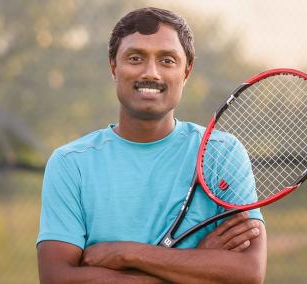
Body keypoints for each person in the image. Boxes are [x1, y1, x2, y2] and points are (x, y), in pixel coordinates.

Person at [37, 7, 267, 283]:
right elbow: (57, 277)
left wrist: (127, 254)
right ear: (114, 66)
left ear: (186, 71)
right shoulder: (70, 163)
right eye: (135, 58)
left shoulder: (221, 153)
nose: (151, 73)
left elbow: (248, 272)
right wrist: (194, 261)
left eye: (167, 60)